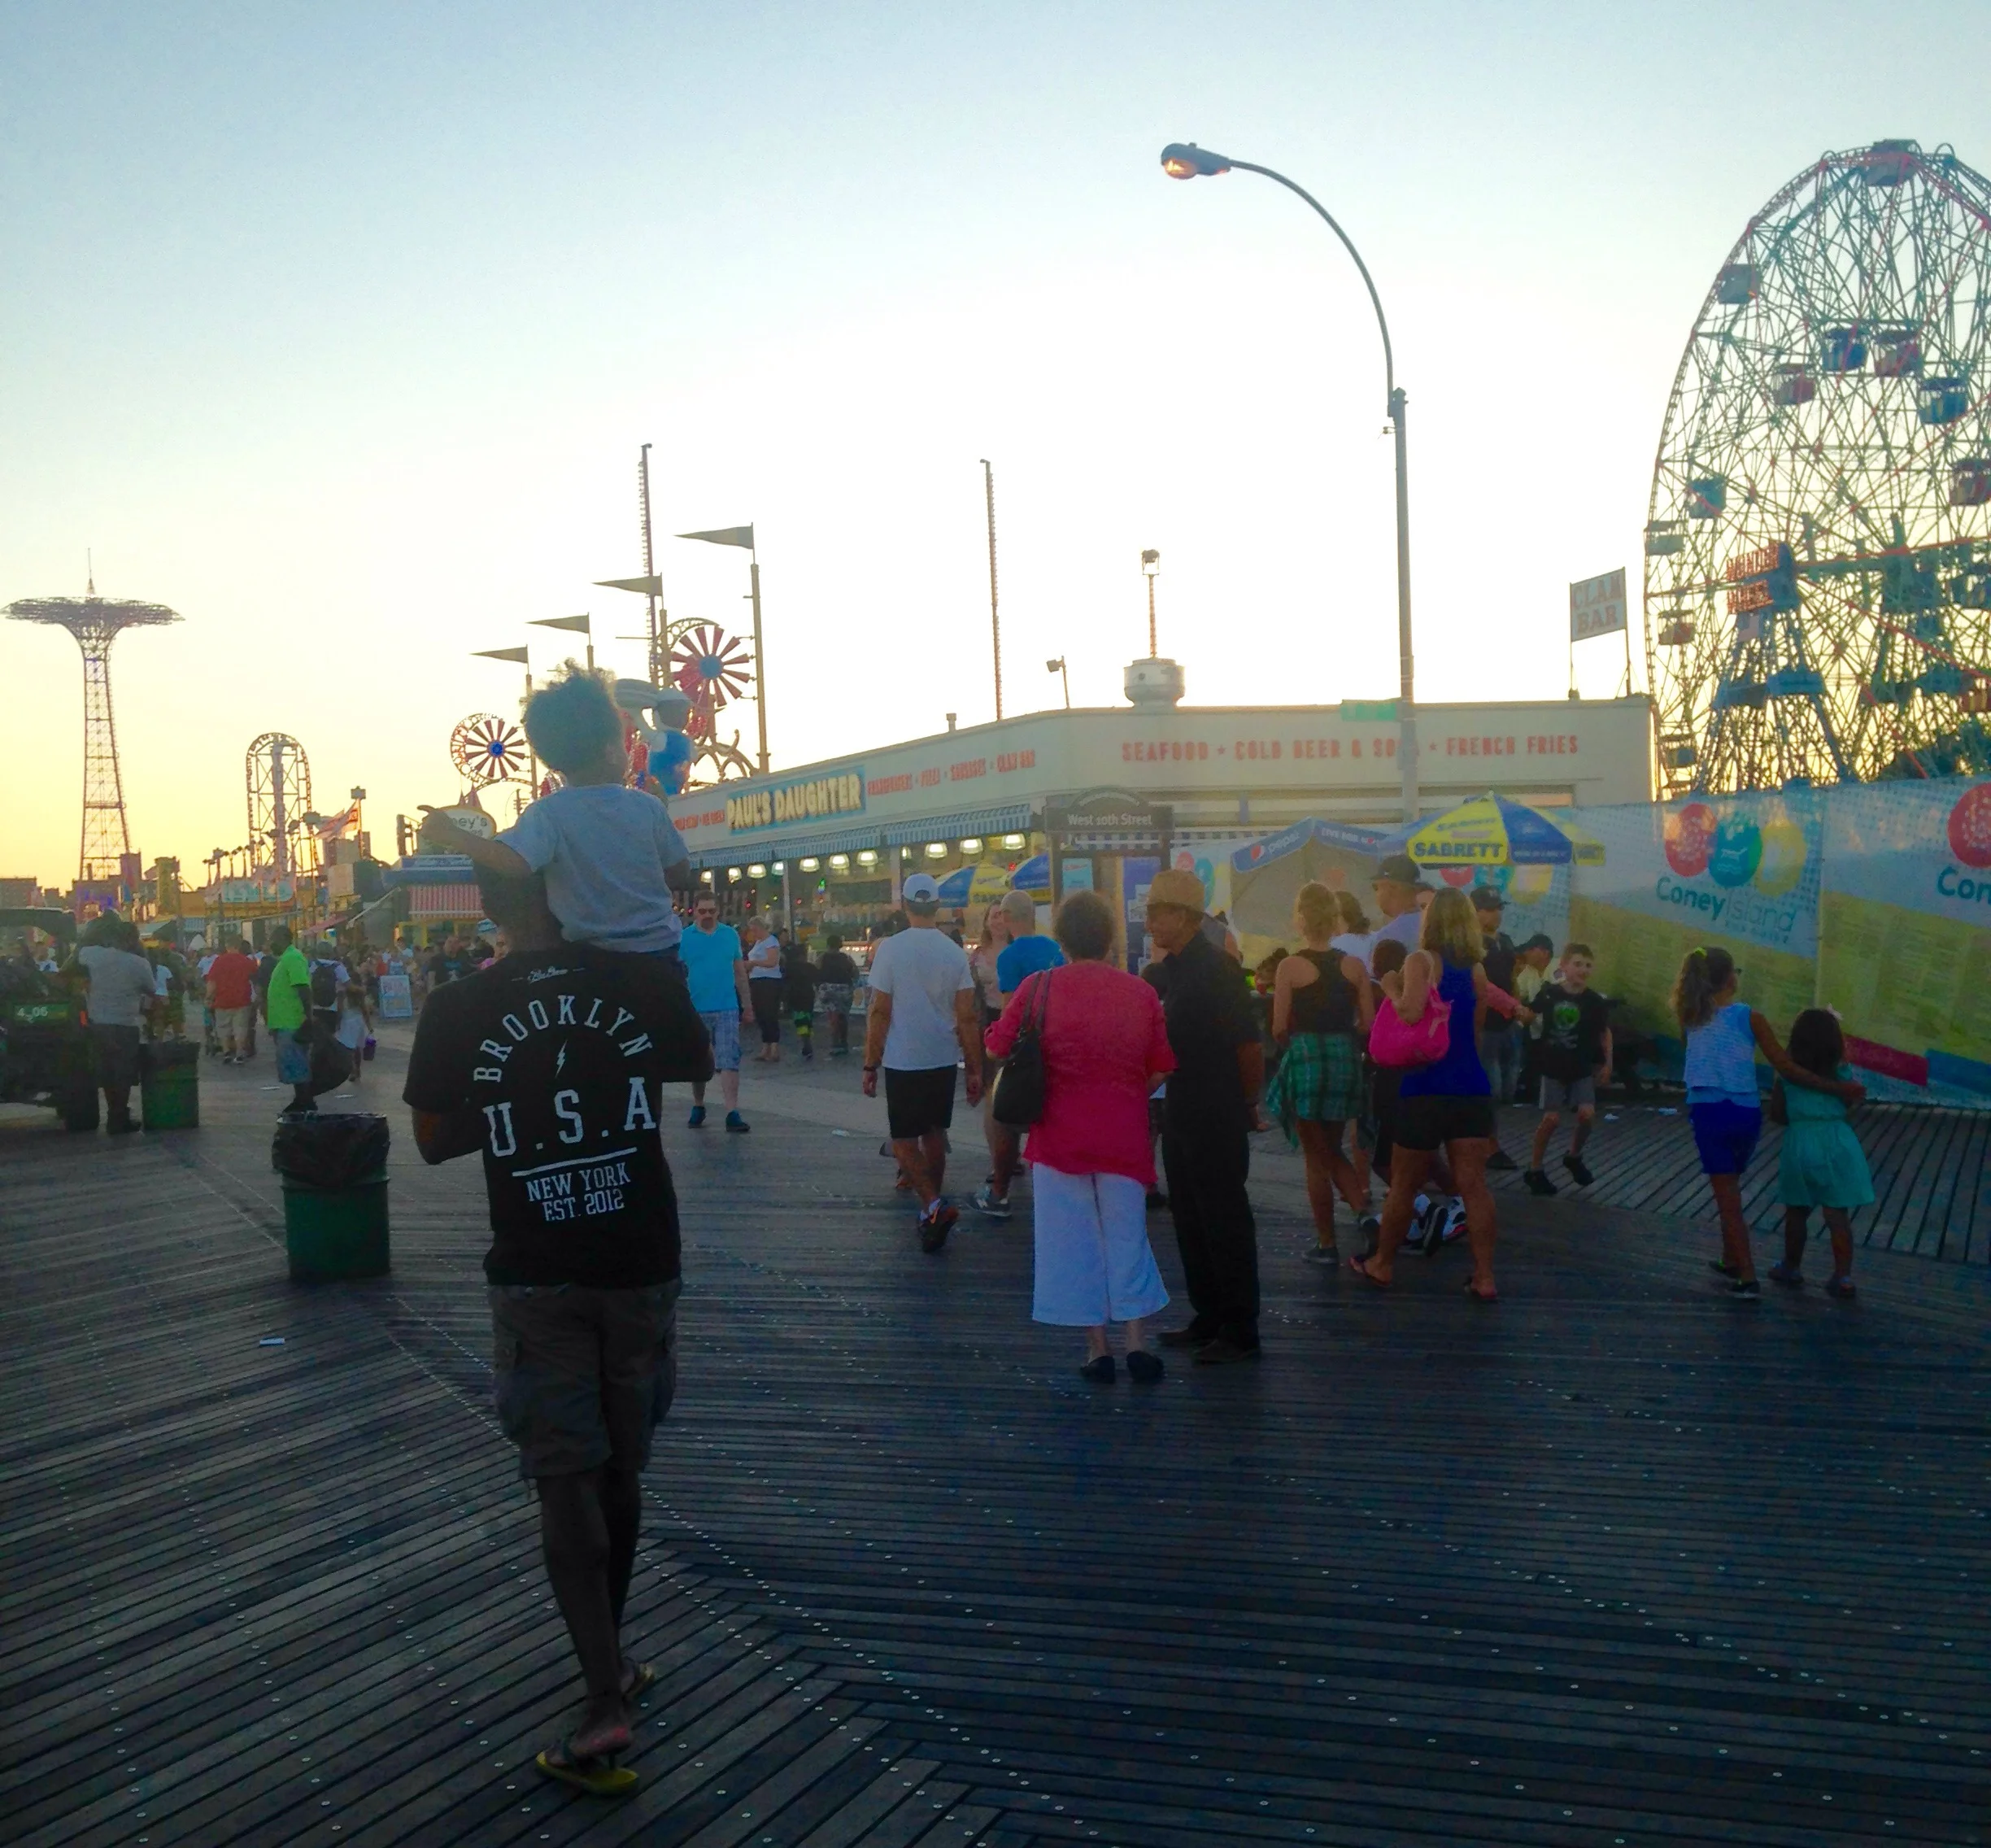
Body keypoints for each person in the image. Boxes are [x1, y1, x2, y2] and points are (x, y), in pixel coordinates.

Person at [403, 865, 709, 1797]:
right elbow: (694, 1062)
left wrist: (516, 1103)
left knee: (564, 1478)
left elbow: (430, 1137)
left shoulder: (459, 1004)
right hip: (639, 1256)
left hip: (537, 1267)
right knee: (621, 1467)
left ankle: (602, 1696)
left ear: (488, 911)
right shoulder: (640, 979)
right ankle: (612, 1663)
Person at [985, 889, 1175, 1381]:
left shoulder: (1038, 987)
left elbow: (997, 1046)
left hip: (1058, 1135)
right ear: (1110, 938)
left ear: (1062, 940)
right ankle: (1137, 1341)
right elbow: (1160, 1067)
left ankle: (1098, 1350)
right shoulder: (1141, 993)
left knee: (1072, 1243)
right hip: (1122, 1134)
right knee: (1127, 1237)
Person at [421, 662, 689, 965]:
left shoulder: (548, 813)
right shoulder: (648, 806)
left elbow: (515, 863)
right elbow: (679, 870)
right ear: (611, 750)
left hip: (587, 958)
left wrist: (453, 834)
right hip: (658, 953)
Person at [1349, 887, 1519, 1301]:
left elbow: (1408, 1012)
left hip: (1425, 1085)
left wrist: (1389, 985)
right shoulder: (1477, 970)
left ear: (1432, 920)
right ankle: (1483, 1276)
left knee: (1405, 1183)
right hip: (1471, 1085)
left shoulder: (1421, 961)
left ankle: (1382, 1265)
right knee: (1474, 1185)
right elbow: (1475, 1031)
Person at [1670, 945, 1861, 1297]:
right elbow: (1786, 1067)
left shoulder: (1690, 1014)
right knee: (1732, 1185)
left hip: (1709, 1111)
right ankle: (1730, 1257)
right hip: (1746, 1113)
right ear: (1730, 978)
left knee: (1727, 1197)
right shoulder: (1750, 1017)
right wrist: (1838, 1087)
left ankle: (1746, 1275)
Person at [1143, 868, 1266, 1364]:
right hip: (1183, 1109)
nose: (1149, 921)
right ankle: (1209, 1314)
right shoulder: (1174, 971)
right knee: (1191, 1218)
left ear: (1183, 916)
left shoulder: (1218, 969)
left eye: (1156, 912)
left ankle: (1240, 1327)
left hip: (1215, 1110)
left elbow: (1249, 1045)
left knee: (1223, 1219)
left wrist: (1247, 1104)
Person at [861, 872, 984, 1251]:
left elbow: (880, 1011)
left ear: (905, 906)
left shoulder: (891, 950)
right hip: (942, 1056)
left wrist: (870, 1063)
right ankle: (934, 1205)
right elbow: (967, 1016)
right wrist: (975, 1068)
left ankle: (932, 1203)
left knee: (902, 1141)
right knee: (935, 1132)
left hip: (903, 1057)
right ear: (937, 906)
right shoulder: (953, 952)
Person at [1263, 882, 1377, 1264]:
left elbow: (1278, 1027)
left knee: (1318, 1157)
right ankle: (1364, 1215)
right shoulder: (1354, 966)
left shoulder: (1290, 966)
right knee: (1331, 1148)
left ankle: (1330, 1241)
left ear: (1301, 919)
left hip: (1308, 1057)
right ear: (1333, 919)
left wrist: (1293, 1045)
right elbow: (1368, 1024)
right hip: (1345, 1058)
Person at [1768, 1008, 1871, 1300]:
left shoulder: (1786, 1074)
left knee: (1797, 1212)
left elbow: (1777, 1113)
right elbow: (1848, 1105)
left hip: (1800, 1142)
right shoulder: (1842, 1073)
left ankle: (1791, 1266)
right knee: (1837, 1215)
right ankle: (1843, 1276)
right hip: (1837, 1140)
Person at [975, 891, 1067, 1219]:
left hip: (1025, 1048)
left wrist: (995, 1044)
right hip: (1059, 1043)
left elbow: (1010, 1009)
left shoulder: (1010, 957)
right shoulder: (1055, 949)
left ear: (1008, 916)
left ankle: (999, 1192)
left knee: (1001, 1114)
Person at [1523, 943, 1611, 1195]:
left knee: (1587, 1115)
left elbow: (1605, 1033)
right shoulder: (1550, 993)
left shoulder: (1594, 1001)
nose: (1583, 969)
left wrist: (1608, 1063)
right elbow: (1530, 1013)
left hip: (1580, 1067)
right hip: (1552, 1065)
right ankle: (1535, 1169)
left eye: (1588, 965)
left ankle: (1574, 1155)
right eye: (1577, 964)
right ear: (1563, 966)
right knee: (1551, 1119)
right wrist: (1522, 1015)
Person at [73, 920, 157, 1134]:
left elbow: (77, 954)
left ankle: (115, 1114)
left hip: (98, 1024)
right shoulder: (139, 964)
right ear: (132, 940)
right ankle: (118, 1117)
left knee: (107, 1072)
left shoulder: (92, 954)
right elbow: (151, 989)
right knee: (123, 1074)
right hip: (126, 1025)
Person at [678, 891, 752, 1131]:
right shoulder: (684, 938)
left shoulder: (730, 935)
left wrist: (747, 1005)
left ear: (718, 911)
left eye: (711, 911)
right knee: (699, 1060)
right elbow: (677, 973)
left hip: (727, 1006)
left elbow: (740, 972)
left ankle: (732, 1111)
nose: (707, 915)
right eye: (702, 911)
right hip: (696, 1007)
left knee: (729, 1059)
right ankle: (698, 1104)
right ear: (694, 912)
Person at [1471, 887, 1522, 1168]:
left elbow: (1511, 977)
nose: (1496, 914)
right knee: (1489, 1088)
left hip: (1507, 1023)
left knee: (1506, 1088)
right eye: (1489, 909)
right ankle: (1489, 1145)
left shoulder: (1505, 941)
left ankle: (1489, 1141)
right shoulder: (1472, 944)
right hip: (1485, 1023)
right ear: (1475, 911)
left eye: (1499, 908)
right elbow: (1481, 985)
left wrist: (1517, 1007)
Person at [263, 924, 318, 1116]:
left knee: (296, 1061)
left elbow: (303, 988)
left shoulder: (293, 958)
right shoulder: (286, 959)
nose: (271, 944)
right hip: (284, 1021)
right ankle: (301, 1099)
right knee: (291, 1062)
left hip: (292, 1021)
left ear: (284, 939)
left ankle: (305, 1101)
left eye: (273, 939)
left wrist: (308, 1017)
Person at [1366, 853, 1428, 970]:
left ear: (1393, 888)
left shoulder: (1388, 937)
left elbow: (1380, 984)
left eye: (1377, 887)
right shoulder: (1434, 926)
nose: (1376, 895)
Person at [205, 935, 259, 1065]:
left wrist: (208, 997)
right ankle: (239, 1053)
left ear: (227, 947)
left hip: (222, 1000)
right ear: (239, 947)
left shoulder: (219, 961)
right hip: (242, 999)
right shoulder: (245, 960)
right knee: (240, 1027)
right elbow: (255, 972)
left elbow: (212, 982)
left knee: (223, 1027)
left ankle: (226, 1052)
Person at [744, 918, 785, 1061]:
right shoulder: (758, 943)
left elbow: (772, 962)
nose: (753, 933)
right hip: (756, 980)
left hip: (770, 981)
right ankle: (765, 1045)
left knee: (770, 1013)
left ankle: (774, 1047)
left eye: (754, 929)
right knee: (761, 1014)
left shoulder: (771, 941)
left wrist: (754, 963)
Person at [966, 900, 1010, 1028]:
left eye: (1003, 916)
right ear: (986, 922)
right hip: (986, 1020)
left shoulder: (1019, 952)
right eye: (995, 916)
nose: (1000, 921)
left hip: (1016, 1019)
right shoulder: (977, 956)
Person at [816, 934, 859, 1056]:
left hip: (828, 990)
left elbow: (815, 971)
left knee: (832, 1017)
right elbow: (855, 973)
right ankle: (843, 1042)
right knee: (843, 1017)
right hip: (844, 990)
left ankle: (835, 1043)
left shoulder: (822, 958)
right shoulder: (846, 958)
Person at [782, 931, 819, 1060]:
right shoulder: (810, 967)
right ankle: (807, 1038)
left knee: (800, 1019)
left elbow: (785, 982)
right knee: (807, 1018)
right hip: (808, 996)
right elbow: (817, 980)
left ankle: (806, 1042)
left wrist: (784, 999)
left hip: (795, 996)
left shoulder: (789, 967)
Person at [336, 974, 372, 1083]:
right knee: (357, 1048)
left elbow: (340, 1010)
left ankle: (353, 1070)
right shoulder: (359, 994)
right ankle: (357, 1070)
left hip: (347, 1022)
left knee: (347, 1049)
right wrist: (369, 1026)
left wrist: (337, 1024)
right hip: (359, 1022)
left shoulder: (342, 994)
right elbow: (365, 1011)